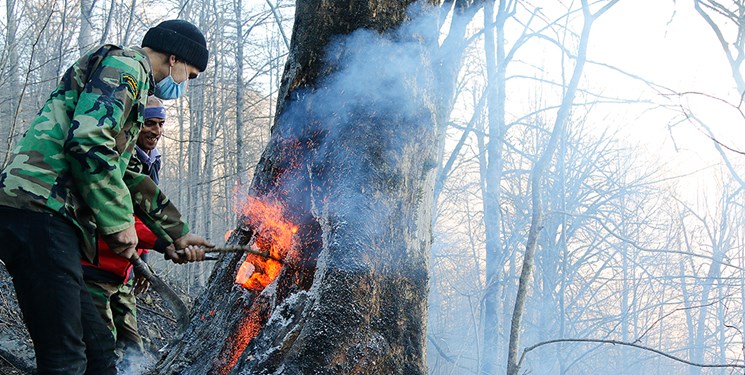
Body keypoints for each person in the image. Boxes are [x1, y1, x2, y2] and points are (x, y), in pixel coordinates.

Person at [0, 19, 214, 375]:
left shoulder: (134, 86)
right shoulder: (127, 67)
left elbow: (125, 173)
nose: (183, 86)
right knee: (66, 360)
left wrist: (176, 233)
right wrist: (117, 224)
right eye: (189, 75)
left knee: (100, 355)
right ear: (174, 59)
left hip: (53, 218)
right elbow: (88, 144)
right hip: (39, 209)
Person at [81, 96, 179, 364]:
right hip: (96, 265)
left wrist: (142, 262)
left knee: (133, 346)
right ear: (134, 125)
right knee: (103, 348)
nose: (155, 131)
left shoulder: (151, 161)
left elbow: (145, 213)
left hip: (123, 270)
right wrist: (167, 242)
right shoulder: (115, 160)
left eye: (160, 124)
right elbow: (122, 216)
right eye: (149, 123)